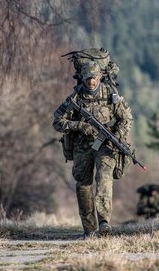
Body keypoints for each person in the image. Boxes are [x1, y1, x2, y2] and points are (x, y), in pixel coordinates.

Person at [53, 61, 133, 239]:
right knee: (83, 185)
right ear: (82, 78)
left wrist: (117, 134)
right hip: (82, 146)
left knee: (104, 178)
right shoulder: (75, 98)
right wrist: (79, 125)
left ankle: (104, 222)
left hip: (106, 145)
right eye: (88, 78)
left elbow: (126, 118)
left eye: (94, 78)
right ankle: (89, 229)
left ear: (100, 77)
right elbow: (57, 121)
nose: (91, 82)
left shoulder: (111, 95)